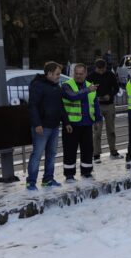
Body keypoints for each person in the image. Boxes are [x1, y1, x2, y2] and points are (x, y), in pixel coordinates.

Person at [25, 62, 66, 191]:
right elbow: (33, 106)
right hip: (42, 127)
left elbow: (60, 107)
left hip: (54, 126)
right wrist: (37, 124)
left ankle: (48, 179)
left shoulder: (56, 86)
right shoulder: (38, 86)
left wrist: (67, 122)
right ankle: (31, 181)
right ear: (49, 74)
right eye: (57, 74)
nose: (59, 76)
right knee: (37, 154)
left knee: (52, 153)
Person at [62, 63, 102, 181]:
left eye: (81, 74)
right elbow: (73, 96)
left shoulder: (90, 86)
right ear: (73, 73)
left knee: (87, 149)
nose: (78, 76)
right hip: (72, 124)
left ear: (85, 74)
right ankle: (69, 175)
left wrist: (98, 119)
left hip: (87, 123)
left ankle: (87, 171)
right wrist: (87, 90)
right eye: (76, 73)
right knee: (70, 150)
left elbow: (95, 104)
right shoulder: (67, 85)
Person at [87, 59, 120, 163]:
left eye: (103, 69)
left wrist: (110, 95)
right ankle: (96, 154)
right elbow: (87, 90)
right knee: (97, 132)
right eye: (99, 70)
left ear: (105, 67)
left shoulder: (110, 75)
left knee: (111, 130)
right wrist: (96, 97)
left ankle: (113, 151)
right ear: (96, 68)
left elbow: (116, 88)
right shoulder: (91, 76)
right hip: (97, 106)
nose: (101, 72)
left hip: (109, 105)